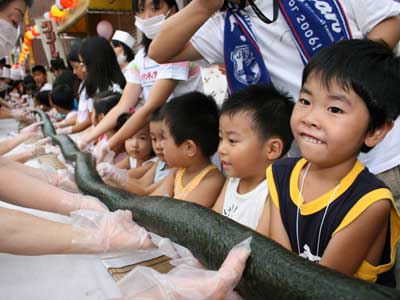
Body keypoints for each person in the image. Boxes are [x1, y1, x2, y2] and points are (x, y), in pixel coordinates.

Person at [149, 0, 400, 209]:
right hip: (311, 168)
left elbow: (391, 20)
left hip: (381, 161)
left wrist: (347, 77)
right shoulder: (226, 24)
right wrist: (203, 7)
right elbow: (160, 51)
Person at [266, 39, 400, 287]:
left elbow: (319, 287)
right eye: (305, 101)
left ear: (377, 130)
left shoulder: (370, 202)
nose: (311, 118)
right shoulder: (279, 174)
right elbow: (277, 261)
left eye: (335, 109)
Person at [76, 0, 203, 163]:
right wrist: (86, 139)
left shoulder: (179, 47)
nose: (147, 16)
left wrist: (109, 145)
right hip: (163, 144)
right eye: (141, 10)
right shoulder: (142, 57)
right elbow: (124, 105)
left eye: (155, 8)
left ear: (173, 9)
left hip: (188, 140)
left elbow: (151, 106)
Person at [213, 84, 293, 236]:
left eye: (232, 140)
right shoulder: (233, 179)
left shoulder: (273, 193)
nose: (221, 149)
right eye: (221, 138)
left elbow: (257, 247)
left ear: (272, 149)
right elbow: (213, 222)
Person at [151, 92, 225, 207]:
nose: (161, 145)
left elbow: (179, 218)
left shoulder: (213, 180)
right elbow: (153, 201)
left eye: (164, 137)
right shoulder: (177, 171)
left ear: (189, 148)